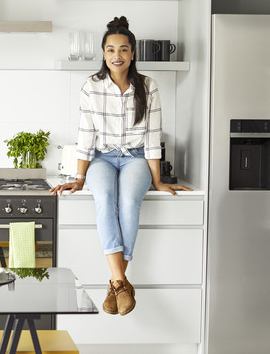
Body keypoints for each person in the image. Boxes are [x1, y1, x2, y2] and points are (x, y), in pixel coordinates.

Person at [50, 16, 191, 316]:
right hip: (101, 158)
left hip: (136, 158)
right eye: (111, 49)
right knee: (103, 198)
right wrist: (78, 177)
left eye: (124, 49)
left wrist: (158, 180)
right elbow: (86, 135)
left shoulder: (148, 86)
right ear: (103, 53)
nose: (117, 55)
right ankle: (120, 281)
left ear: (133, 53)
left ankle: (116, 281)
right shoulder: (92, 86)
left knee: (129, 201)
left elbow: (153, 138)